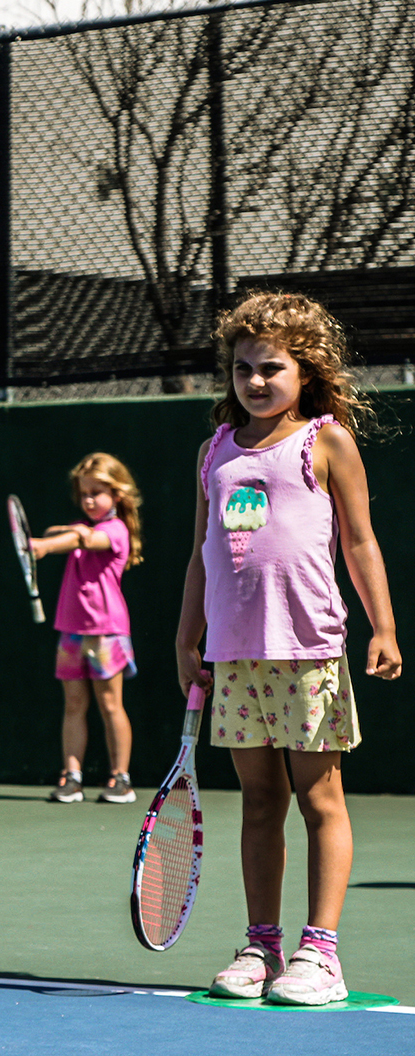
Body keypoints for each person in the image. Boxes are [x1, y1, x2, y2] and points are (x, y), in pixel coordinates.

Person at [176, 292, 400, 1007]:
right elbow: (200, 554)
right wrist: (186, 636)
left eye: (271, 367)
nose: (255, 380)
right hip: (236, 658)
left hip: (308, 650)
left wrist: (384, 627)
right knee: (259, 802)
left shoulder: (326, 441)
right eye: (243, 368)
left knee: (319, 798)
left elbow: (360, 542)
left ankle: (321, 954)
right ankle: (261, 945)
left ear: (306, 371)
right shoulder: (214, 451)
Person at [30, 453, 144, 804]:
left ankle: (120, 779)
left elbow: (84, 541)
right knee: (73, 705)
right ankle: (72, 777)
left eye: (97, 493)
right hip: (71, 632)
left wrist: (45, 546)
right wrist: (56, 536)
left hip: (106, 633)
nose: (89, 500)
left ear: (117, 495)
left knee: (110, 705)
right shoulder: (80, 527)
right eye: (83, 494)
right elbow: (61, 533)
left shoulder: (115, 530)